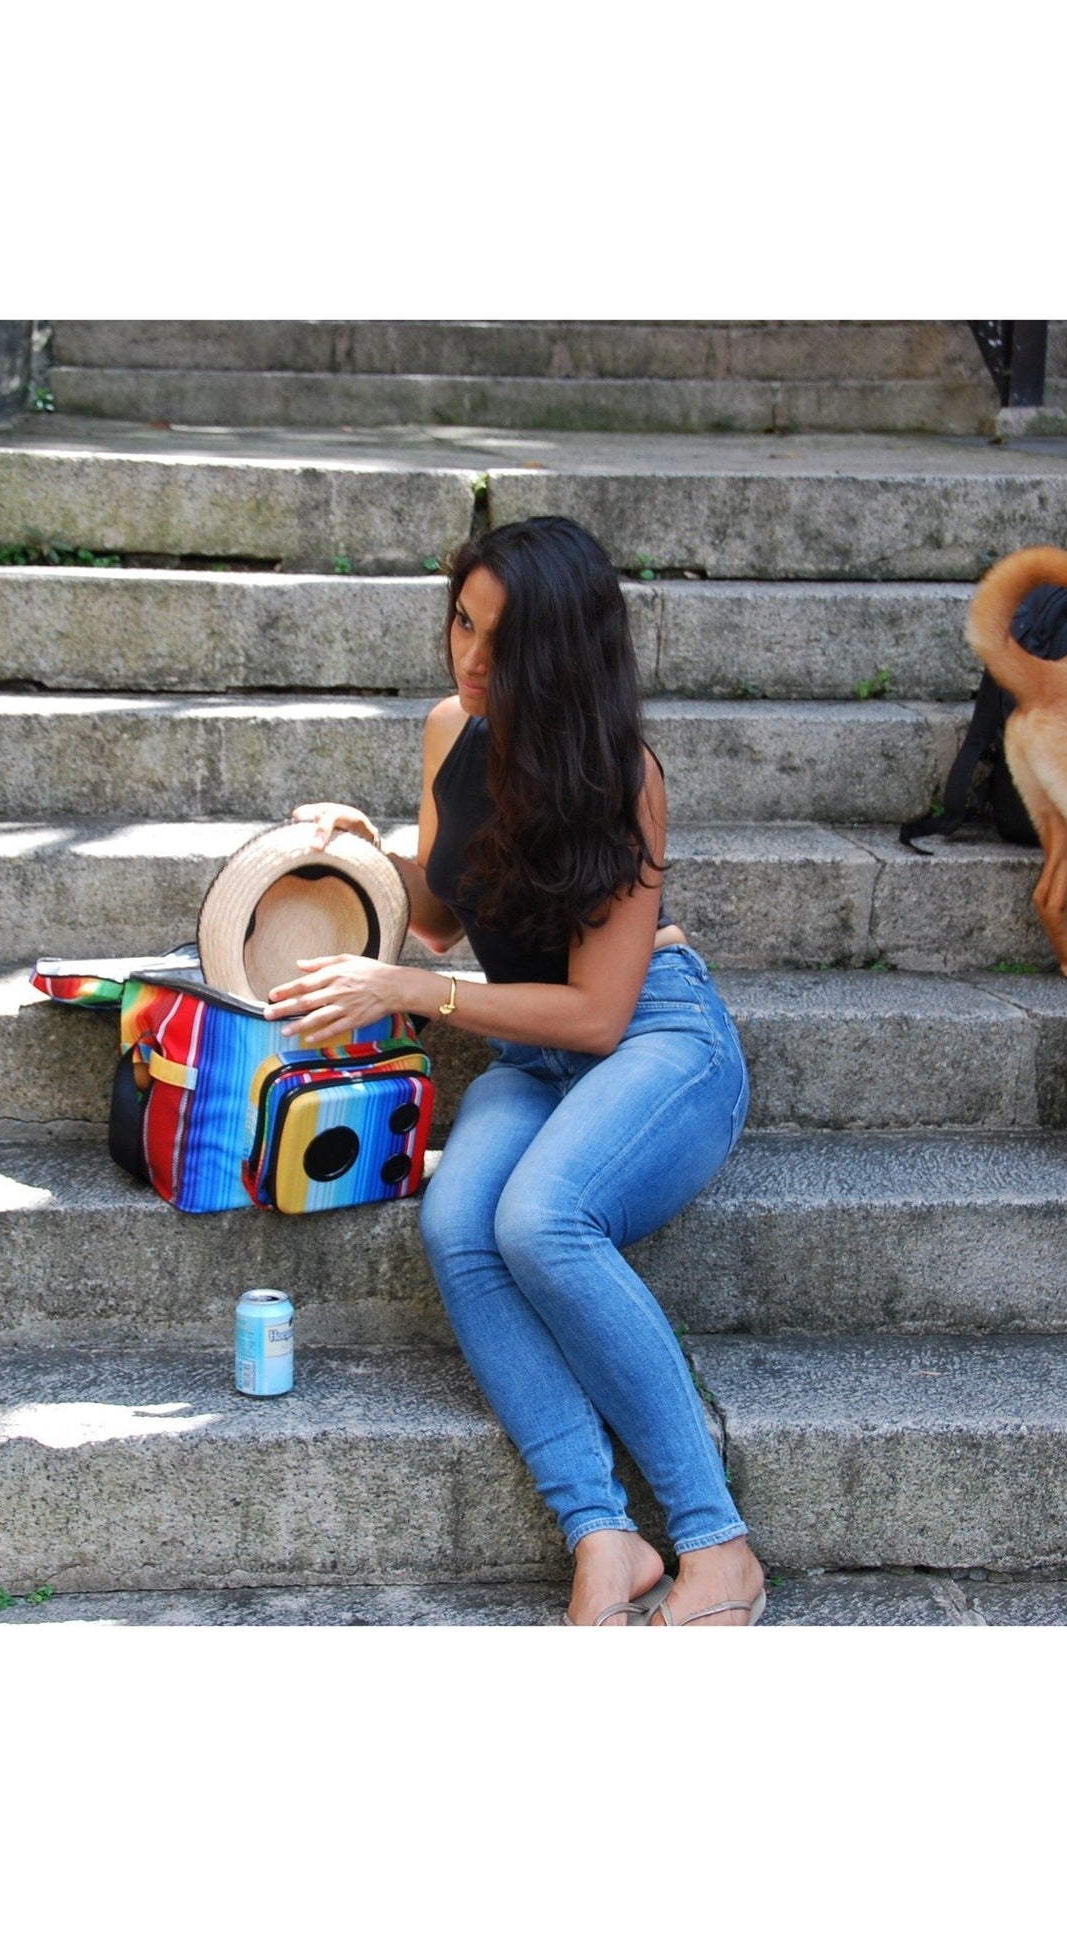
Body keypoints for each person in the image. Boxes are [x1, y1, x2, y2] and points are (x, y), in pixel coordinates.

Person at [264, 515, 763, 1627]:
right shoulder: (455, 729)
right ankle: (600, 1531)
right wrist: (368, 853)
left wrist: (405, 993)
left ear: (564, 650)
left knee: (539, 1219)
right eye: (459, 623)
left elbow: (594, 1009)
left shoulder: (621, 774)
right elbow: (442, 916)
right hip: (532, 1055)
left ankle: (714, 1542)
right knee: (457, 1225)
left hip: (652, 1041)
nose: (469, 659)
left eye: (501, 640)